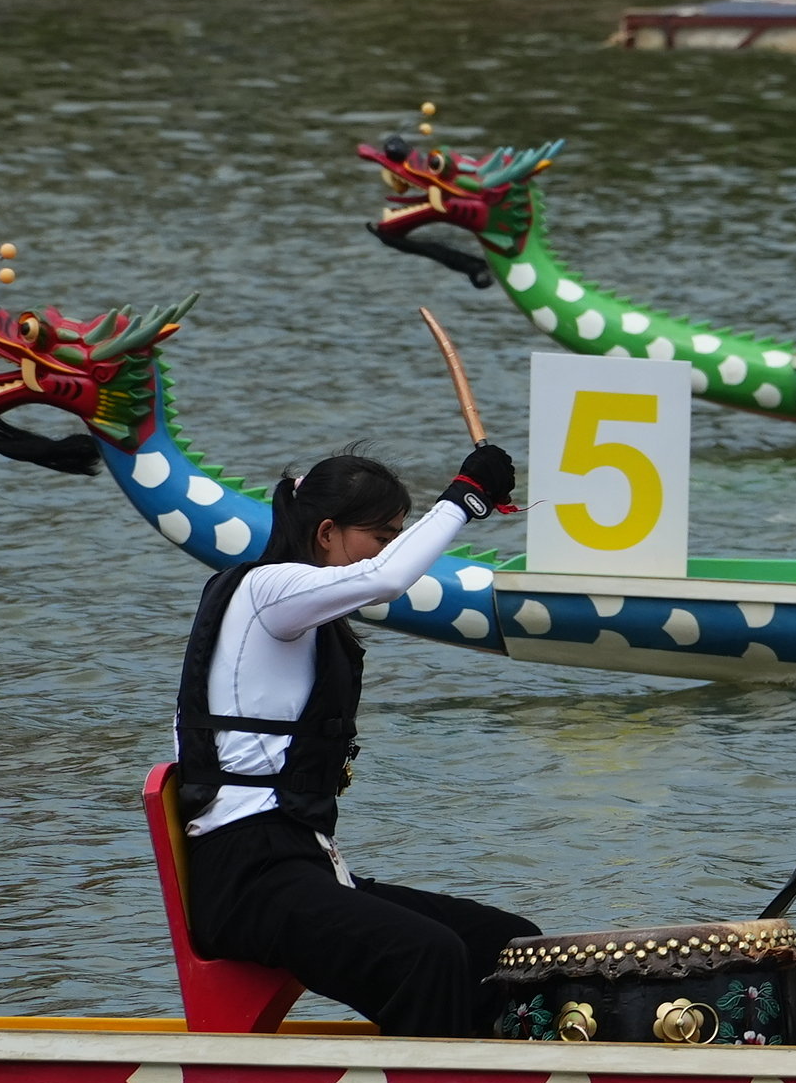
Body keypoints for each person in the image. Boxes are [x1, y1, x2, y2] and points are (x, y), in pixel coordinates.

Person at [174, 441, 540, 1039]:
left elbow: (381, 570)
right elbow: (388, 579)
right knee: (428, 955)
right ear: (326, 532)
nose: (391, 548)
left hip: (300, 862)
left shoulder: (298, 605)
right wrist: (464, 499)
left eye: (397, 534)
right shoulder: (267, 592)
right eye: (381, 534)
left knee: (503, 941)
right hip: (245, 879)